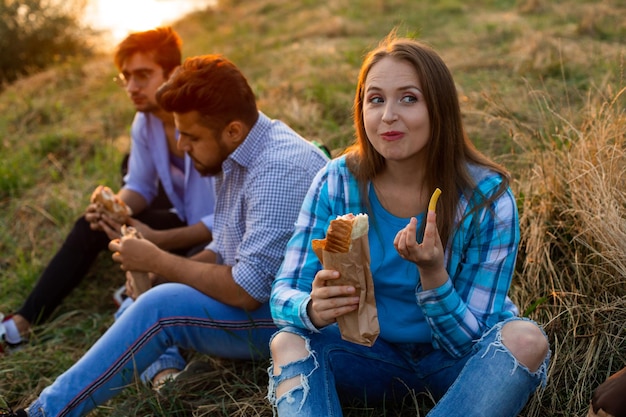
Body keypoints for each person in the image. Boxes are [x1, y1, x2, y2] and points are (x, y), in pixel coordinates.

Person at [0, 54, 328, 417]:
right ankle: (164, 368)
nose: (182, 146)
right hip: (276, 307)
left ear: (232, 129)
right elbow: (224, 247)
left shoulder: (278, 169)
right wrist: (156, 274)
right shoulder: (236, 153)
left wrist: (159, 261)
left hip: (307, 325)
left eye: (190, 136)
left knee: (161, 307)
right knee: (153, 297)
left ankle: (42, 413)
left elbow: (246, 290)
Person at [267, 34, 551, 416]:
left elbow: (469, 339)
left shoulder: (486, 197)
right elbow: (283, 293)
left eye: (409, 98)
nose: (388, 116)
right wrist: (312, 309)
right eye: (376, 99)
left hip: (457, 364)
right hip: (366, 354)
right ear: (361, 108)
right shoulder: (336, 181)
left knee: (526, 340)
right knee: (287, 342)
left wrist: (433, 274)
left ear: (440, 108)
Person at [0, 27, 215, 353]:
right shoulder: (145, 121)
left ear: (173, 73)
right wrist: (115, 208)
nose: (131, 87)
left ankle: (144, 284)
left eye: (142, 75)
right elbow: (140, 187)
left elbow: (220, 223)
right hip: (183, 219)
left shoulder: (205, 121)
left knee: (160, 250)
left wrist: (157, 241)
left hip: (219, 243)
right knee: (92, 223)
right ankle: (22, 324)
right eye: (126, 76)